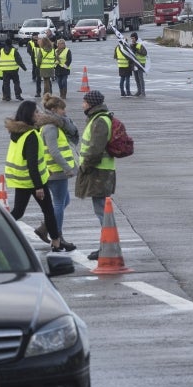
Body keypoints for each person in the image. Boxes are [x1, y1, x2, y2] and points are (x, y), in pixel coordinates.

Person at [4, 100, 63, 252]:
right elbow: (32, 163)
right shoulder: (31, 135)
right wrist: (38, 186)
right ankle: (56, 242)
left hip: (21, 180)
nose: (38, 114)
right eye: (36, 112)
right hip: (33, 181)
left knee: (18, 211)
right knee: (48, 211)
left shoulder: (17, 133)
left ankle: (0, 231)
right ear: (29, 115)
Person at [33, 93, 79, 251]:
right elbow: (54, 150)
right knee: (60, 203)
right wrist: (67, 168)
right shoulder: (51, 127)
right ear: (53, 109)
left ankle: (45, 228)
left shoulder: (50, 124)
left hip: (52, 170)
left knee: (64, 201)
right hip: (56, 170)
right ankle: (57, 237)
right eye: (62, 109)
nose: (64, 112)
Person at [75, 90, 116, 260]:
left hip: (99, 171)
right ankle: (107, 245)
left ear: (91, 103)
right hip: (100, 170)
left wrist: (85, 166)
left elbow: (96, 148)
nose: (82, 105)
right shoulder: (97, 118)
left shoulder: (100, 121)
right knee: (101, 211)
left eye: (84, 102)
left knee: (102, 212)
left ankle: (107, 247)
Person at [0, 37, 27, 102]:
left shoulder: (1, 51)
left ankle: (7, 97)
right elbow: (19, 60)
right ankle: (18, 95)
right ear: (11, 43)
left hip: (5, 71)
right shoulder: (14, 50)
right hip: (14, 70)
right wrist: (24, 68)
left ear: (5, 43)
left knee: (6, 84)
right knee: (16, 83)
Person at [26, 33, 42, 97]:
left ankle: (40, 92)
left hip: (41, 63)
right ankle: (34, 77)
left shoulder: (40, 41)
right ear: (32, 37)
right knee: (34, 68)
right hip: (35, 59)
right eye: (34, 36)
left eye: (36, 36)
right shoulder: (30, 42)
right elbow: (29, 50)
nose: (36, 37)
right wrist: (32, 54)